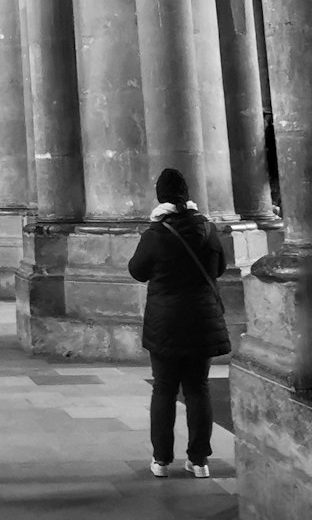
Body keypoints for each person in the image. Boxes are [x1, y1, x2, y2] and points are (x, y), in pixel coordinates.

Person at [128, 166, 230, 481]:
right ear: (187, 196)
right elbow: (221, 268)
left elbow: (137, 271)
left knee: (164, 389)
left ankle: (161, 460)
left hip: (165, 323)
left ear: (160, 197)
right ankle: (199, 460)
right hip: (202, 320)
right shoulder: (209, 231)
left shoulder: (155, 234)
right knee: (198, 388)